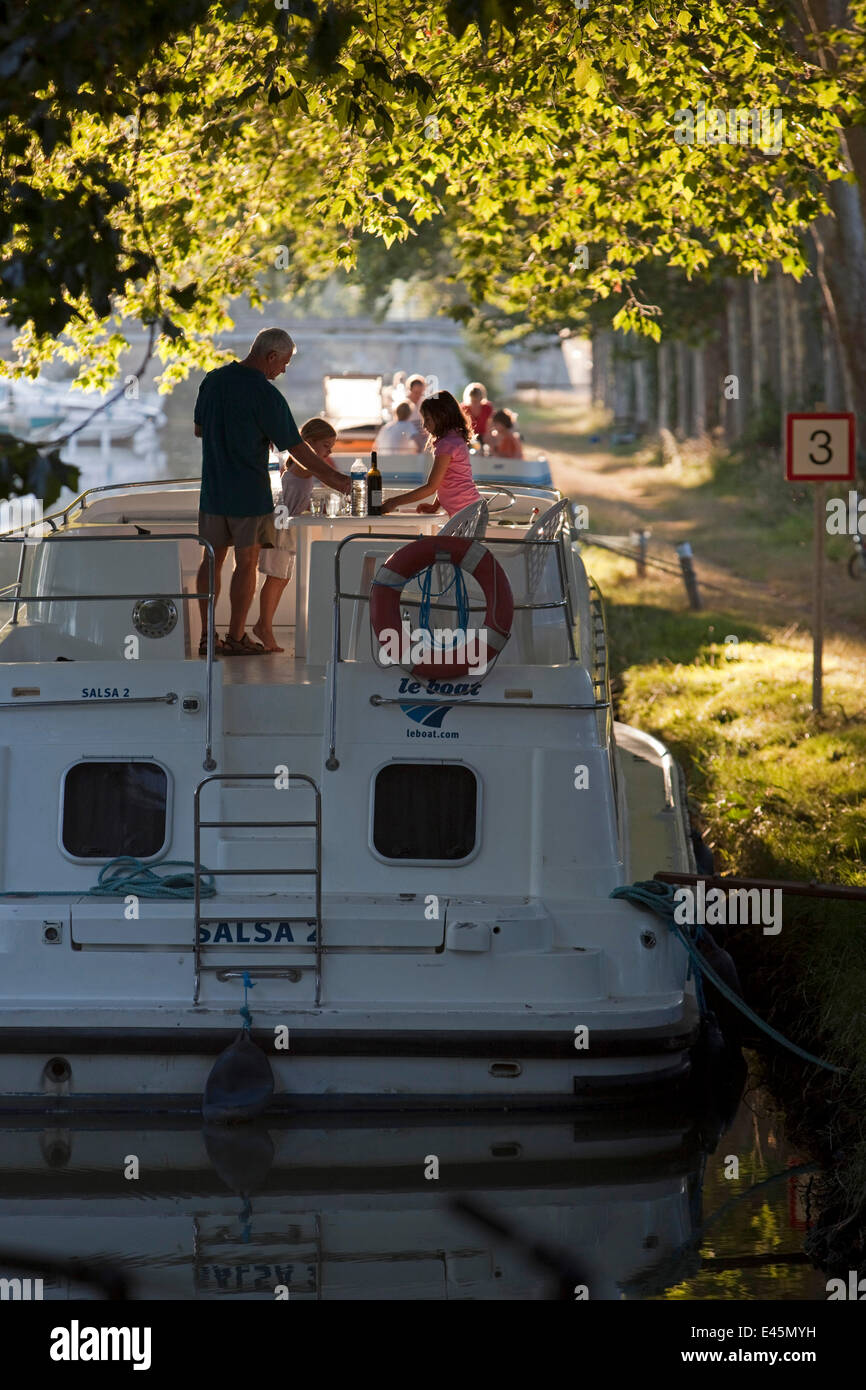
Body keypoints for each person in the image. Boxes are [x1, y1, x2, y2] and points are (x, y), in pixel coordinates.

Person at [194, 327, 350, 656]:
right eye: (285, 363)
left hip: (212, 490)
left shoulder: (212, 380)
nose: (283, 370)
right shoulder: (266, 395)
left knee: (211, 561)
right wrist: (337, 480)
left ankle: (208, 636)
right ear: (271, 356)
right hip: (252, 494)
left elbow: (199, 429)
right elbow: (298, 448)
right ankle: (237, 638)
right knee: (246, 563)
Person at [252, 418, 342, 653]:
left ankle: (264, 624)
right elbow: (327, 475)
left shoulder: (302, 466)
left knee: (282, 577)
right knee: (275, 576)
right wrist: (349, 483)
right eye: (325, 446)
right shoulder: (304, 465)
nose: (329, 452)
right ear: (309, 444)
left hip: (287, 525)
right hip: (279, 525)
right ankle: (265, 628)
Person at [381, 390, 481, 518]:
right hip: (470, 510)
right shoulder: (454, 439)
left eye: (427, 419)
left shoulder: (447, 445)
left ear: (442, 416)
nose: (424, 425)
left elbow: (431, 487)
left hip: (467, 513)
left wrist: (393, 502)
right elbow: (448, 480)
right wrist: (435, 506)